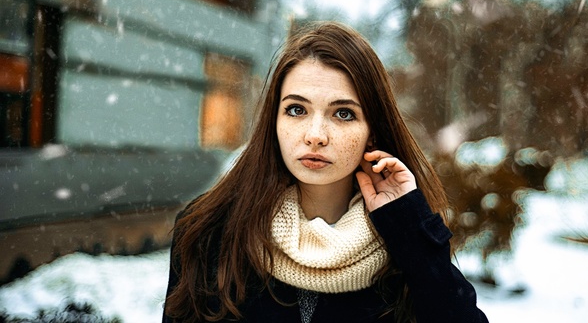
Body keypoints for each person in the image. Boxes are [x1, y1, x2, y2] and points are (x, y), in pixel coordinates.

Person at [162, 21, 488, 323]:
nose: (315, 134)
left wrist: (407, 222)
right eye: (296, 110)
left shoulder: (404, 245)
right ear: (273, 122)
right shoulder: (208, 233)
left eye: (343, 113)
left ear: (371, 131)